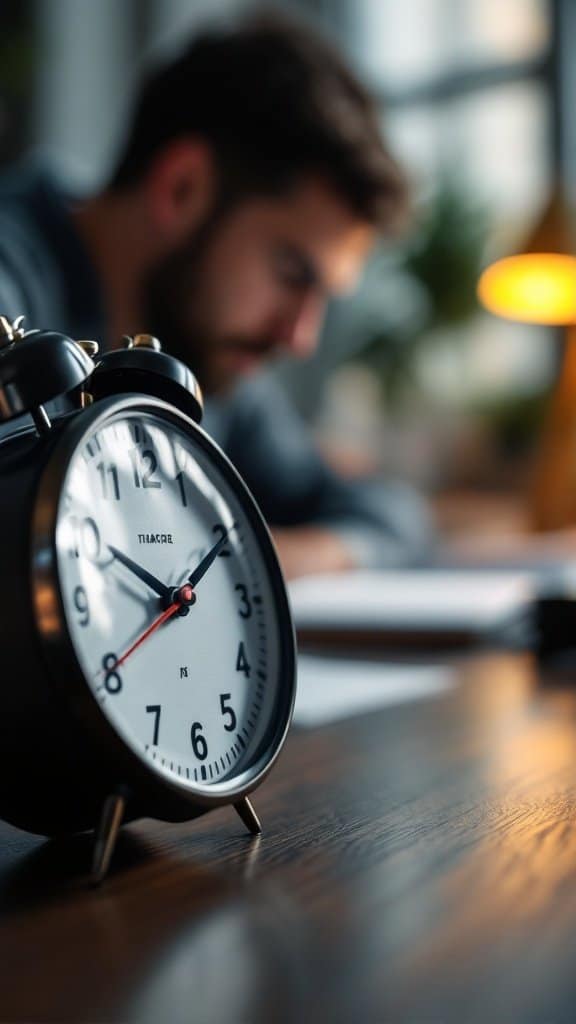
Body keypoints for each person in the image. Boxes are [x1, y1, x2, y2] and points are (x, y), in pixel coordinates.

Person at [0, 12, 432, 577]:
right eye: (292, 273)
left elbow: (388, 515)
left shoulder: (207, 364)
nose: (300, 337)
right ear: (183, 190)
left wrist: (274, 558)